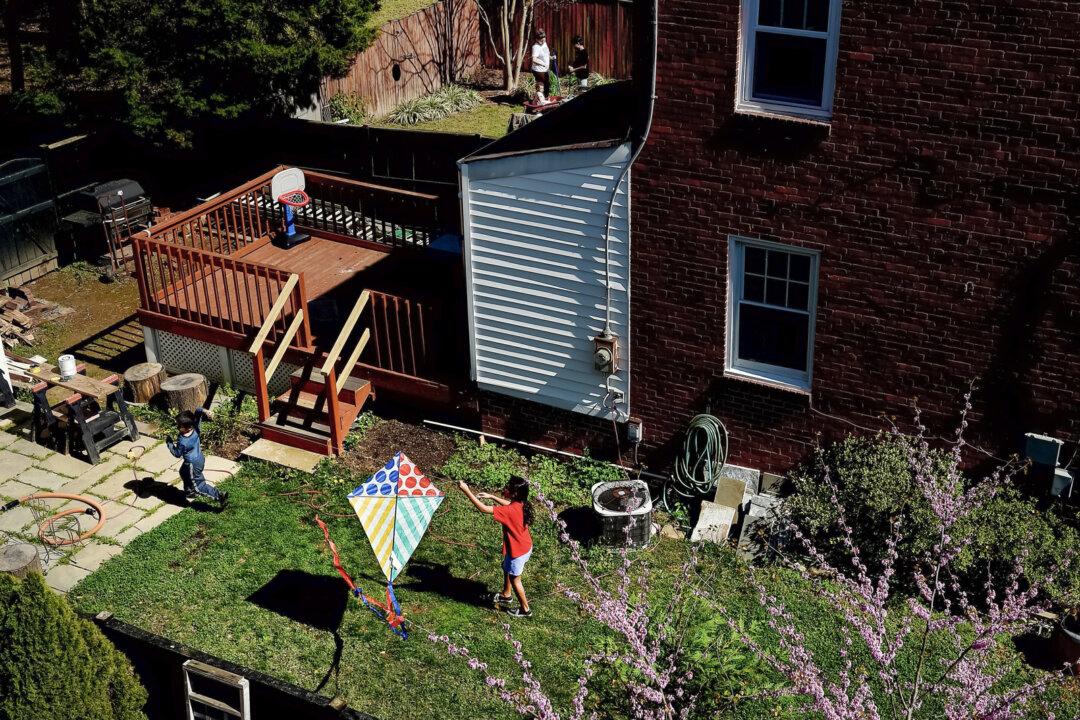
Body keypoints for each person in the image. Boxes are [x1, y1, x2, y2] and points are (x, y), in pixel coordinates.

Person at [457, 475, 534, 618]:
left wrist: (466, 490)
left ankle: (525, 609)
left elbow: (483, 509)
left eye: (507, 487)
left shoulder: (509, 511)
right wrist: (491, 496)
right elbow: (508, 504)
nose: (504, 488)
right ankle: (506, 594)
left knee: (515, 579)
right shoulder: (520, 504)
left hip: (518, 551)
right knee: (506, 566)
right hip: (523, 546)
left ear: (514, 493)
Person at [166, 408, 228, 506]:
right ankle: (189, 491)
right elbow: (198, 412)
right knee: (183, 472)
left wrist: (169, 443)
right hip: (199, 459)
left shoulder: (183, 441)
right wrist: (205, 411)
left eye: (180, 426)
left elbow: (177, 454)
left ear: (188, 427)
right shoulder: (196, 428)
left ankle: (219, 495)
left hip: (192, 464)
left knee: (199, 486)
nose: (177, 427)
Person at [530, 29, 551, 104]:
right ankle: (539, 102)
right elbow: (534, 59)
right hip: (538, 70)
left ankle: (543, 100)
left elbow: (546, 53)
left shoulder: (544, 43)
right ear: (536, 39)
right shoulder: (535, 47)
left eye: (544, 39)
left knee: (547, 85)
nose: (543, 42)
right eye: (541, 40)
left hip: (545, 69)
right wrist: (543, 64)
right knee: (541, 86)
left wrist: (551, 57)